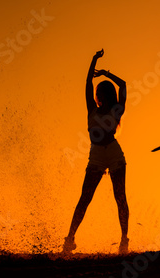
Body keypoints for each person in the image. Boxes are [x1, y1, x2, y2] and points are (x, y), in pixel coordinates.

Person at [63, 49, 130, 254]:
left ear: (106, 94)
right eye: (97, 93)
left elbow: (124, 85)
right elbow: (86, 85)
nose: (97, 95)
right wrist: (92, 61)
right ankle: (70, 239)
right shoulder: (91, 108)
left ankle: (124, 240)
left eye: (101, 92)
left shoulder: (117, 109)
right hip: (97, 155)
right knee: (85, 197)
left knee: (120, 197)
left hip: (114, 153)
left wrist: (106, 74)